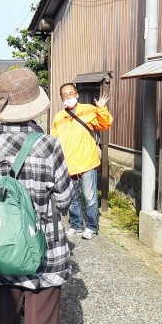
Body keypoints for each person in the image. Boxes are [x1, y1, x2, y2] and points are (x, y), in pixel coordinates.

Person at [0, 68, 74, 324]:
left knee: (4, 319)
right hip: (44, 250)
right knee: (42, 322)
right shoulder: (49, 145)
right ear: (35, 107)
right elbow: (64, 200)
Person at [51, 83, 113, 240]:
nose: (68, 97)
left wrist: (101, 108)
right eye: (65, 95)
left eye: (71, 93)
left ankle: (92, 227)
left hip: (87, 162)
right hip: (68, 164)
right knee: (72, 198)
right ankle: (76, 225)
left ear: (77, 94)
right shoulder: (58, 117)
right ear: (61, 98)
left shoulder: (88, 110)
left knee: (90, 197)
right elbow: (54, 141)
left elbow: (105, 124)